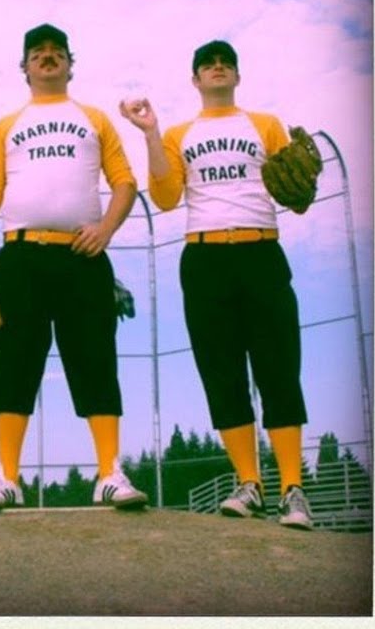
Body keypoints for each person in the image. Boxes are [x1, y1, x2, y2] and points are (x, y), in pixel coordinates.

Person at [118, 39, 315, 529]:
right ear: (196, 80)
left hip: (260, 249)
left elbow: (294, 191)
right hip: (204, 257)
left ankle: (293, 489)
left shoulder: (265, 124)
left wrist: (303, 185)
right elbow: (166, 196)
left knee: (279, 369)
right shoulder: (179, 133)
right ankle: (250, 483)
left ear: (237, 76)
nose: (218, 67)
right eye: (208, 64)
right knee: (222, 374)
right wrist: (151, 133)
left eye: (226, 62)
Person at [0, 23, 147, 512]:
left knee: (96, 360)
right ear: (24, 67)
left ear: (70, 63)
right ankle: (7, 478)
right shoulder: (6, 125)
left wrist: (106, 229)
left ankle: (109, 473)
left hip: (83, 254)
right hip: (19, 254)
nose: (47, 57)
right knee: (14, 362)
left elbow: (125, 183)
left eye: (56, 51)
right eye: (37, 52)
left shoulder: (94, 118)